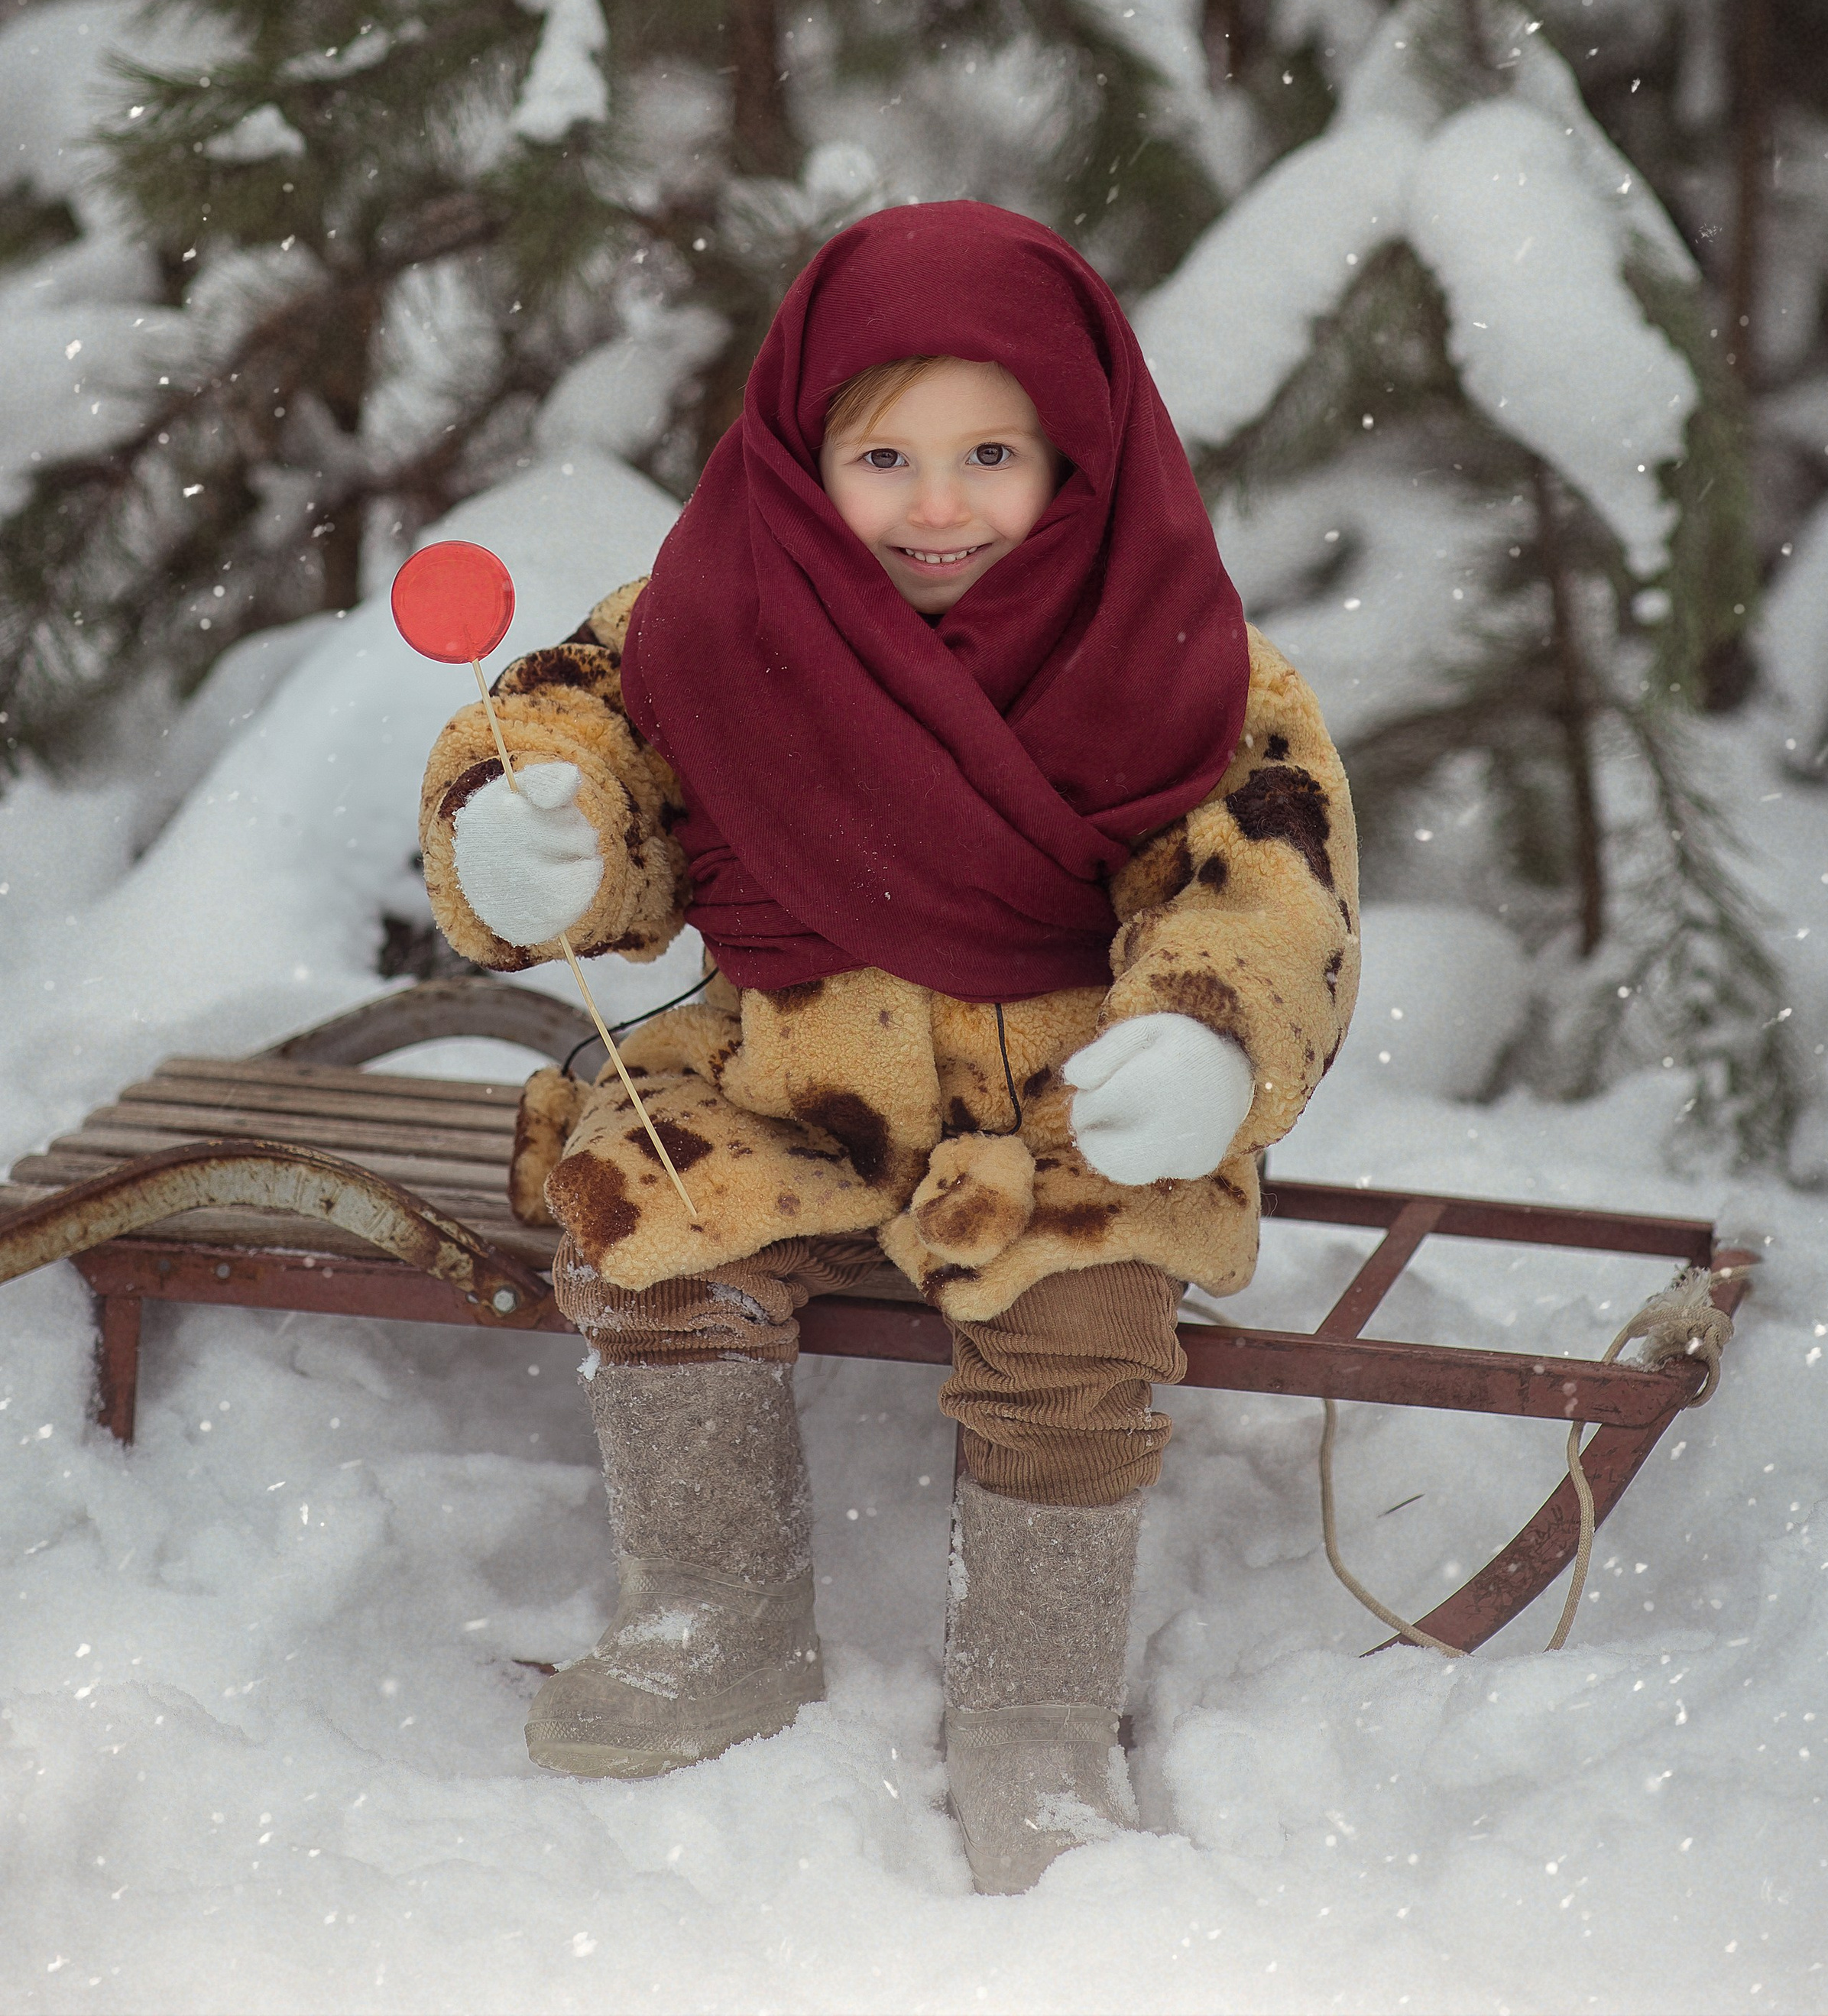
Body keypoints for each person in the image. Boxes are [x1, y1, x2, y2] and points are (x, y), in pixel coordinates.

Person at [417, 200, 1358, 1891]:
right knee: (650, 1213)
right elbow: (571, 728)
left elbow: (1263, 878)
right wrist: (532, 826)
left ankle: (1034, 1713)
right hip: (798, 1088)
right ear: (799, 449)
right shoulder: (715, 616)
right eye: (882, 455)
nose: (937, 507)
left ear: (1081, 449)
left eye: (991, 452)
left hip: (1067, 1125)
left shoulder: (1183, 659)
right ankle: (716, 1612)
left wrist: (1206, 1035)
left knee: (1077, 1320)